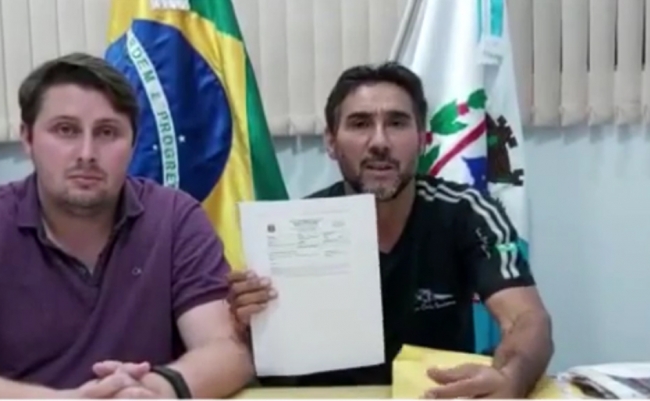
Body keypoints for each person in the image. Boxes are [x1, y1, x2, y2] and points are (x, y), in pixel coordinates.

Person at [0, 52, 253, 399]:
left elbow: (229, 351)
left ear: (133, 143)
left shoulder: (175, 218)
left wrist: (156, 389)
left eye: (107, 132)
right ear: (27, 138)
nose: (87, 153)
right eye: (65, 130)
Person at [227, 62, 553, 399]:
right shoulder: (289, 232)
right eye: (360, 124)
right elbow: (263, 362)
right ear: (331, 141)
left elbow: (527, 320)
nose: (380, 142)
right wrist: (250, 325)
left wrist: (512, 379)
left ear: (423, 139)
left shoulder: (468, 212)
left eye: (397, 123)